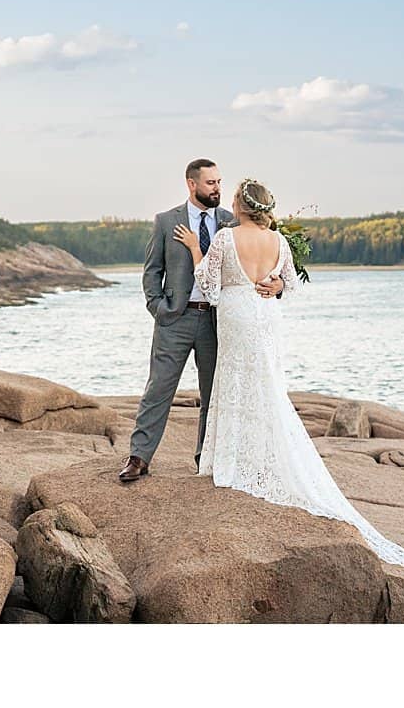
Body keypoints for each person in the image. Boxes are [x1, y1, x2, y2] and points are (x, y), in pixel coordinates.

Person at [176, 177, 404, 568]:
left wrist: (193, 250)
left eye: (233, 197)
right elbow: (289, 282)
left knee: (235, 382)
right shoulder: (279, 242)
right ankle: (257, 461)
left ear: (239, 205)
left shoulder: (223, 239)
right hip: (266, 314)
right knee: (267, 385)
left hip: (237, 313)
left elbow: (208, 284)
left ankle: (233, 463)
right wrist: (277, 284)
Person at [118, 159, 284, 484]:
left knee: (214, 393)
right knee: (159, 389)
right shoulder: (166, 221)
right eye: (211, 183)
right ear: (191, 184)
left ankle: (204, 457)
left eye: (220, 182)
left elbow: (256, 266)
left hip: (218, 321)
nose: (217, 189)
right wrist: (158, 307)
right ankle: (139, 456)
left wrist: (277, 286)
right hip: (175, 319)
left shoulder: (230, 221)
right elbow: (152, 270)